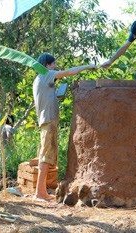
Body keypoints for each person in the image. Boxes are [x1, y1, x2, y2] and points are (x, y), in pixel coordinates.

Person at [33, 53, 97, 201]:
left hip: (47, 120)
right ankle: (39, 193)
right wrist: (88, 66)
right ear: (48, 65)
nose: (55, 68)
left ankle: (41, 191)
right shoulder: (46, 74)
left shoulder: (40, 79)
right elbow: (68, 72)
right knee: (45, 155)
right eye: (54, 65)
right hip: (48, 120)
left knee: (47, 155)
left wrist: (56, 96)